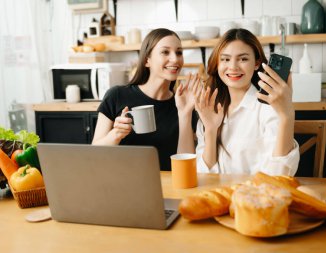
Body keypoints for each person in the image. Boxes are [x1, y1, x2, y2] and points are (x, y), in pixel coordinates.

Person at [194, 28, 299, 176]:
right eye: (225, 59)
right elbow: (203, 174)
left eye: (243, 59)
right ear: (217, 64)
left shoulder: (268, 108)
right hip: (218, 196)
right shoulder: (209, 109)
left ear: (256, 63)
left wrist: (286, 116)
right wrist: (210, 130)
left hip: (255, 196)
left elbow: (279, 175)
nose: (233, 67)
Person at [92, 28, 199, 171]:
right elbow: (94, 155)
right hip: (122, 185)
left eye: (179, 52)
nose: (175, 59)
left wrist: (185, 113)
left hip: (166, 189)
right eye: (165, 52)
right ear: (146, 60)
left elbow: (185, 167)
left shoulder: (183, 105)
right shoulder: (117, 95)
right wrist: (115, 134)